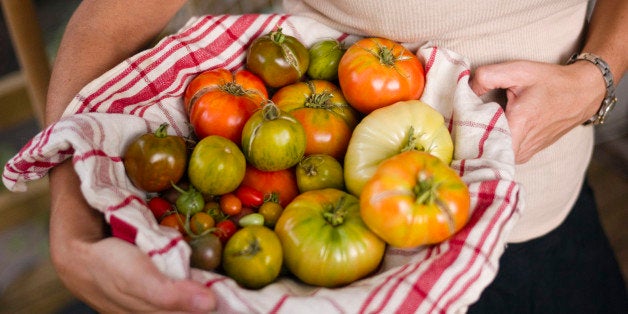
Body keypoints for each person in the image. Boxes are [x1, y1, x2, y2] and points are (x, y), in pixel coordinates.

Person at [45, 0, 626, 312]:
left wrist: (596, 77)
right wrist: (72, 228)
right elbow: (110, 19)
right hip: (325, 225)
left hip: (546, 210)